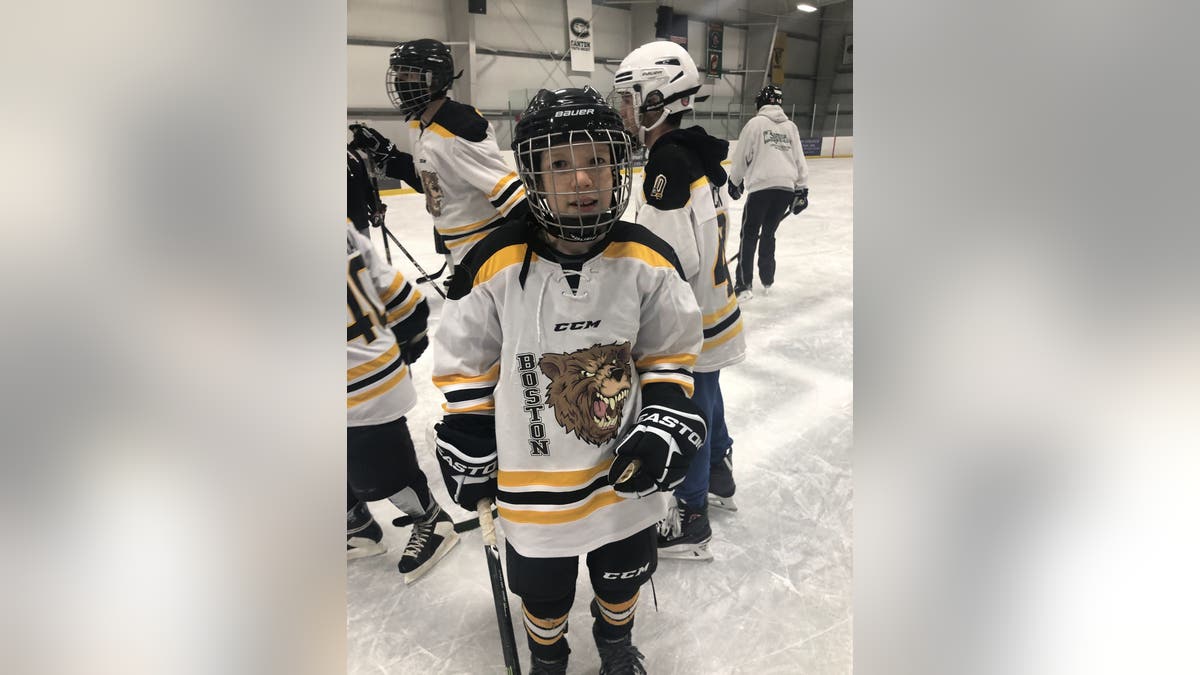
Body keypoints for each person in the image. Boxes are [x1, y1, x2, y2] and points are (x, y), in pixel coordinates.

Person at [430, 87, 705, 675]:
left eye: (596, 163)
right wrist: (469, 428)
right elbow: (465, 361)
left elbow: (668, 354)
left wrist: (662, 420)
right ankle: (548, 657)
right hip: (532, 480)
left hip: (622, 475)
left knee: (622, 573)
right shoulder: (493, 262)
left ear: (617, 170)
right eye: (560, 165)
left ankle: (613, 645)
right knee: (543, 589)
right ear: (533, 174)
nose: (581, 180)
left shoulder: (647, 259)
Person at [611, 39, 747, 559]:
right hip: (717, 309)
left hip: (691, 317)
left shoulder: (667, 165)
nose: (624, 110)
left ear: (657, 98)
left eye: (630, 99)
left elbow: (668, 263)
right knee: (707, 395)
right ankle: (717, 472)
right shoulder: (696, 150)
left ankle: (691, 517)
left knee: (684, 405)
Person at [345, 148, 459, 583]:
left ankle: (433, 522)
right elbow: (404, 299)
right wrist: (405, 348)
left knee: (384, 473)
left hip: (355, 389)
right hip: (373, 370)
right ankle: (356, 524)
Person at [350, 38, 528, 280]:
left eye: (408, 76)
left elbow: (510, 195)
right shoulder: (418, 123)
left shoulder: (460, 127)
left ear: (434, 78)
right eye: (398, 75)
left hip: (485, 247)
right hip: (455, 244)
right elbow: (430, 183)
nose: (399, 83)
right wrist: (387, 153)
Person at [726, 84, 810, 301]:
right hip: (785, 190)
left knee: (749, 234)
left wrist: (734, 182)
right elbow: (799, 160)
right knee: (769, 233)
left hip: (761, 189)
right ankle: (767, 279)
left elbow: (741, 156)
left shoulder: (756, 124)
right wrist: (801, 190)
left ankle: (744, 285)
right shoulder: (790, 127)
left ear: (761, 103)